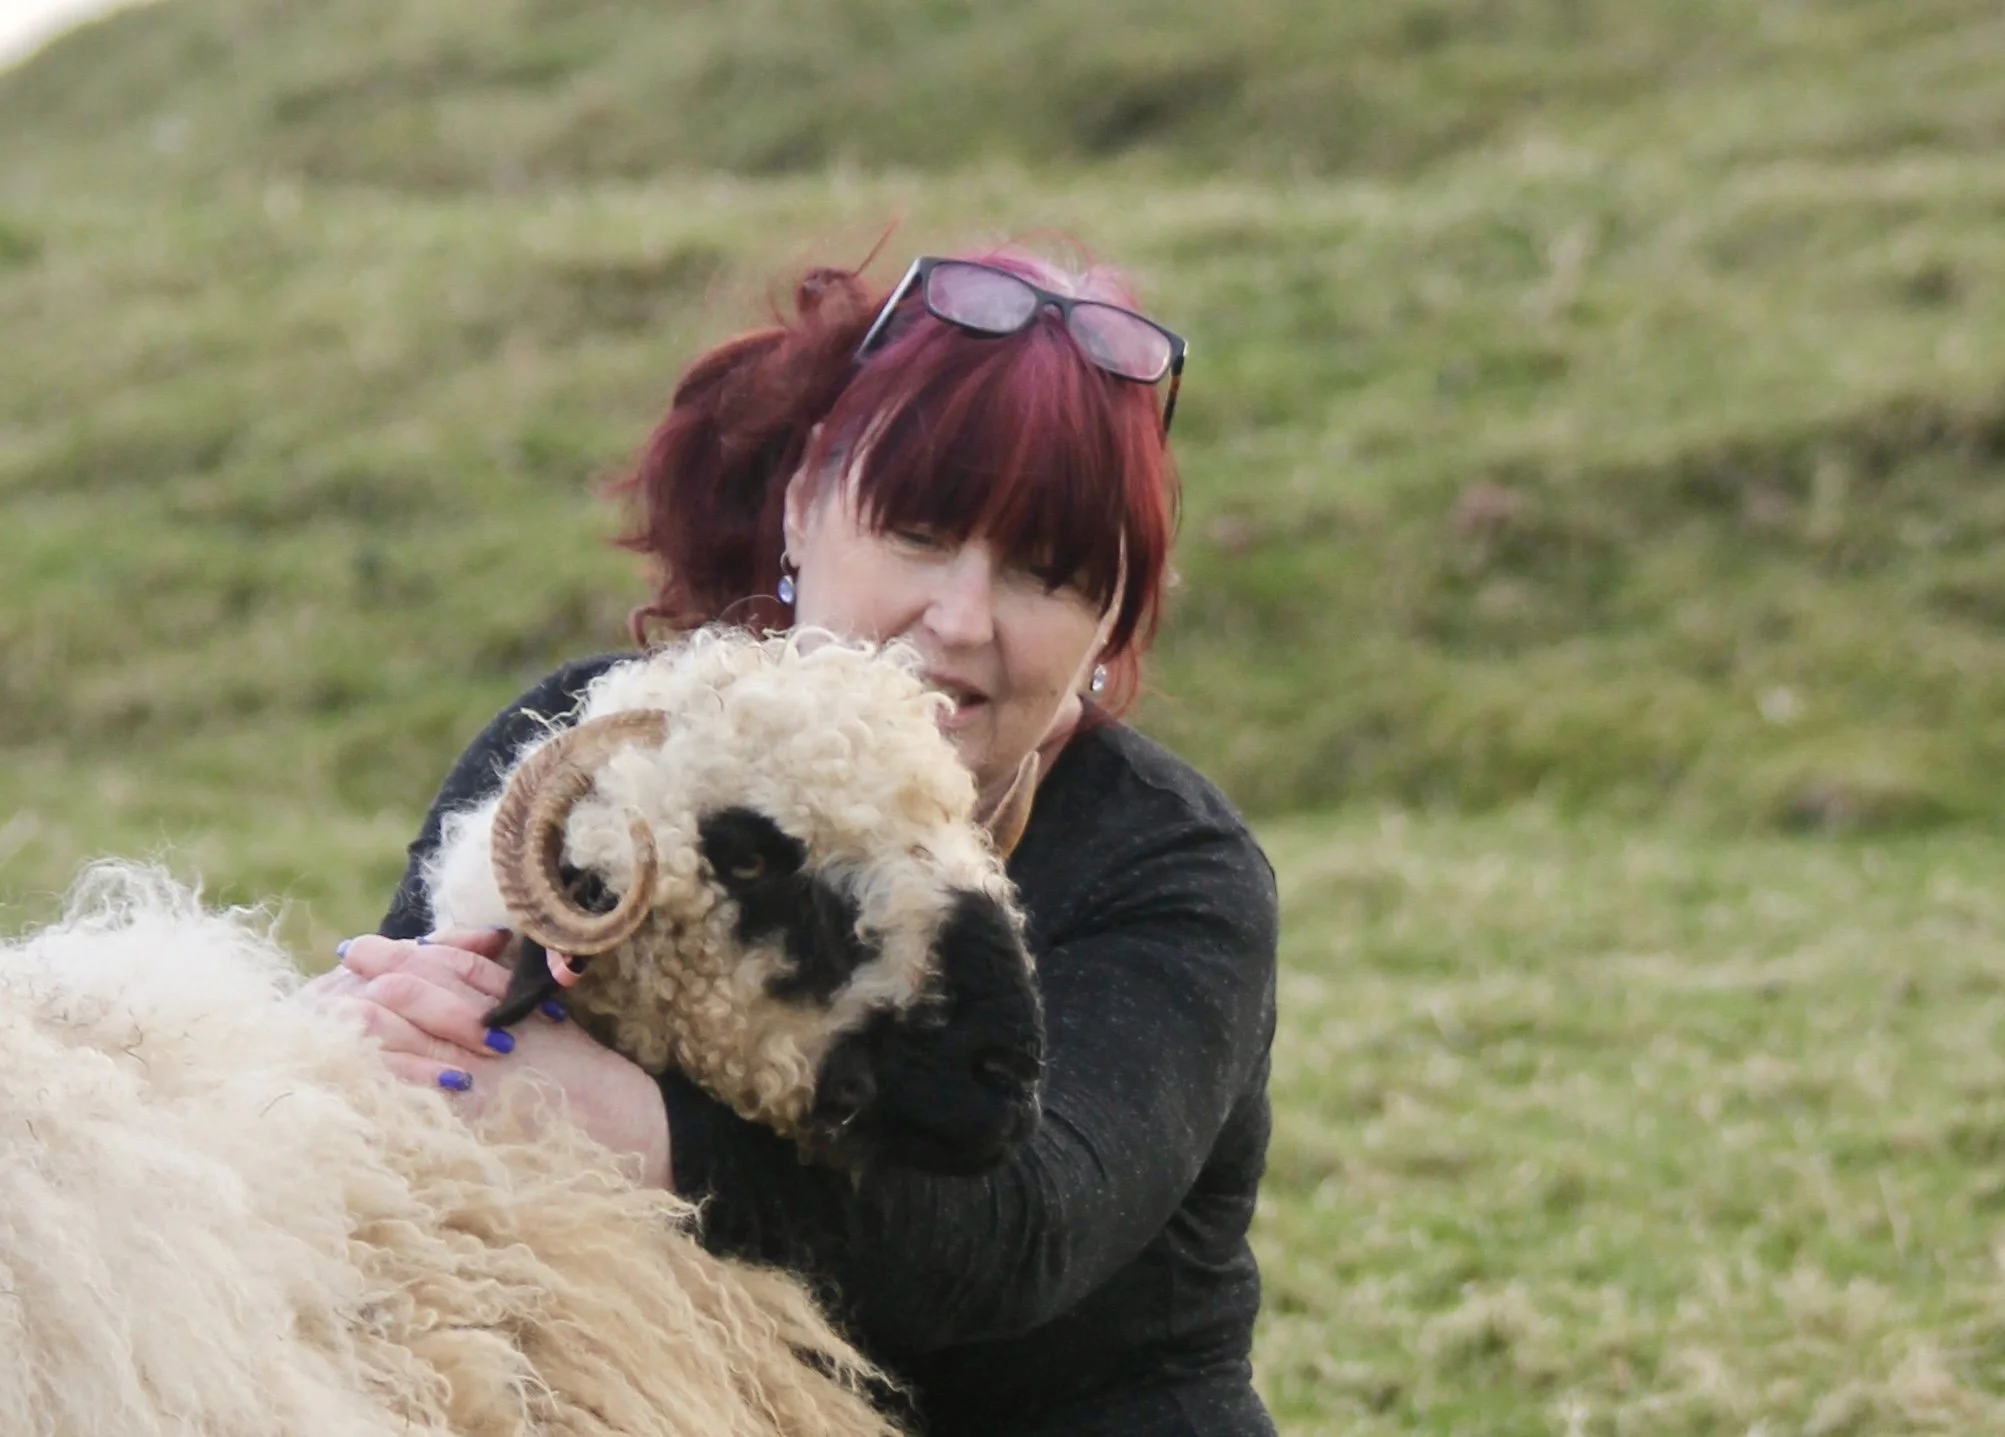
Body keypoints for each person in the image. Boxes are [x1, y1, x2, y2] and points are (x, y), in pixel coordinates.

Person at [316, 245, 1280, 1436]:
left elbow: (1026, 1229)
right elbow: (430, 1057)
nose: (959, 618)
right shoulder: (596, 754)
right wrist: (365, 1037)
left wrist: (631, 1131)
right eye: (917, 533)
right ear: (805, 503)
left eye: (1045, 573)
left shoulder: (1170, 872)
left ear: (1112, 616)